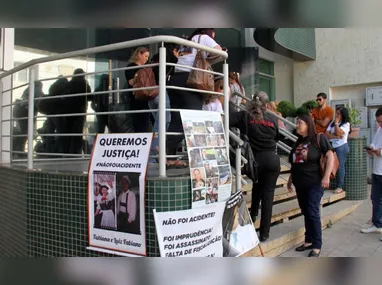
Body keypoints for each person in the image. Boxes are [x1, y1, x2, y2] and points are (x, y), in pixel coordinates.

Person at [166, 28, 222, 168]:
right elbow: (219, 51)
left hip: (174, 79)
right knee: (194, 119)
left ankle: (169, 156)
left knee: (176, 118)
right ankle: (199, 159)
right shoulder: (203, 38)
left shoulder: (188, 41)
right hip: (190, 79)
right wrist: (208, 59)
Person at [229, 91, 280, 242]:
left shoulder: (244, 116)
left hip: (255, 161)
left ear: (251, 102)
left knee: (257, 184)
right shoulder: (272, 117)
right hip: (273, 160)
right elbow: (277, 137)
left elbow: (223, 121)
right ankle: (264, 233)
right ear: (266, 104)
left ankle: (253, 217)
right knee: (267, 196)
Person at [287, 114, 335, 257]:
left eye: (299, 123)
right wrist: (290, 179)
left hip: (314, 182)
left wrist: (326, 176)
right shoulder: (298, 141)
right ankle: (308, 240)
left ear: (308, 124)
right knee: (306, 211)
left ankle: (317, 245)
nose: (296, 125)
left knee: (312, 211)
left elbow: (330, 156)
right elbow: (295, 162)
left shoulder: (318, 138)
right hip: (299, 183)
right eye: (296, 123)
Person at [361, 108, 382, 237]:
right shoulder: (379, 130)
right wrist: (371, 148)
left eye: (381, 121)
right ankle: (377, 224)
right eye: (378, 121)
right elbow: (375, 143)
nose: (379, 124)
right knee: (375, 198)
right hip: (377, 170)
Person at [325, 107, 351, 194]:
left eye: (338, 114)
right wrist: (335, 137)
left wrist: (336, 124)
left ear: (343, 115)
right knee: (328, 164)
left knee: (340, 166)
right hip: (332, 146)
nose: (336, 115)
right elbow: (326, 134)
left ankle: (340, 186)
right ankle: (328, 184)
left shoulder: (346, 124)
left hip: (341, 146)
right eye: (336, 113)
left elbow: (338, 133)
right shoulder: (332, 124)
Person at [125, 47, 150, 133]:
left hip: (146, 99)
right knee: (139, 125)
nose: (146, 59)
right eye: (145, 56)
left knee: (145, 124)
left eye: (147, 57)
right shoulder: (131, 67)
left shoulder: (145, 68)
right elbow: (131, 82)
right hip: (136, 99)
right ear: (139, 54)